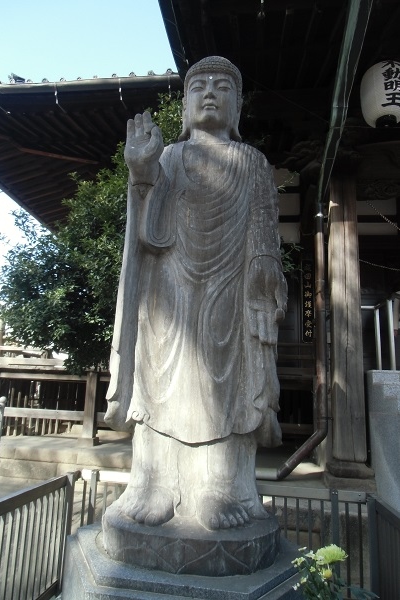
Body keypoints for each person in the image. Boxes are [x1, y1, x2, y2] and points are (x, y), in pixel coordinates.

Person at [104, 56, 287, 531]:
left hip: (228, 285)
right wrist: (141, 173)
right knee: (158, 378)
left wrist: (264, 266)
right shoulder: (169, 157)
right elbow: (148, 234)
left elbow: (264, 223)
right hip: (168, 284)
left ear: (237, 106)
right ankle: (154, 480)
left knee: (223, 379)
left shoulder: (252, 161)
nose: (209, 92)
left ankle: (219, 486)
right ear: (185, 105)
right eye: (198, 86)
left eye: (222, 86)